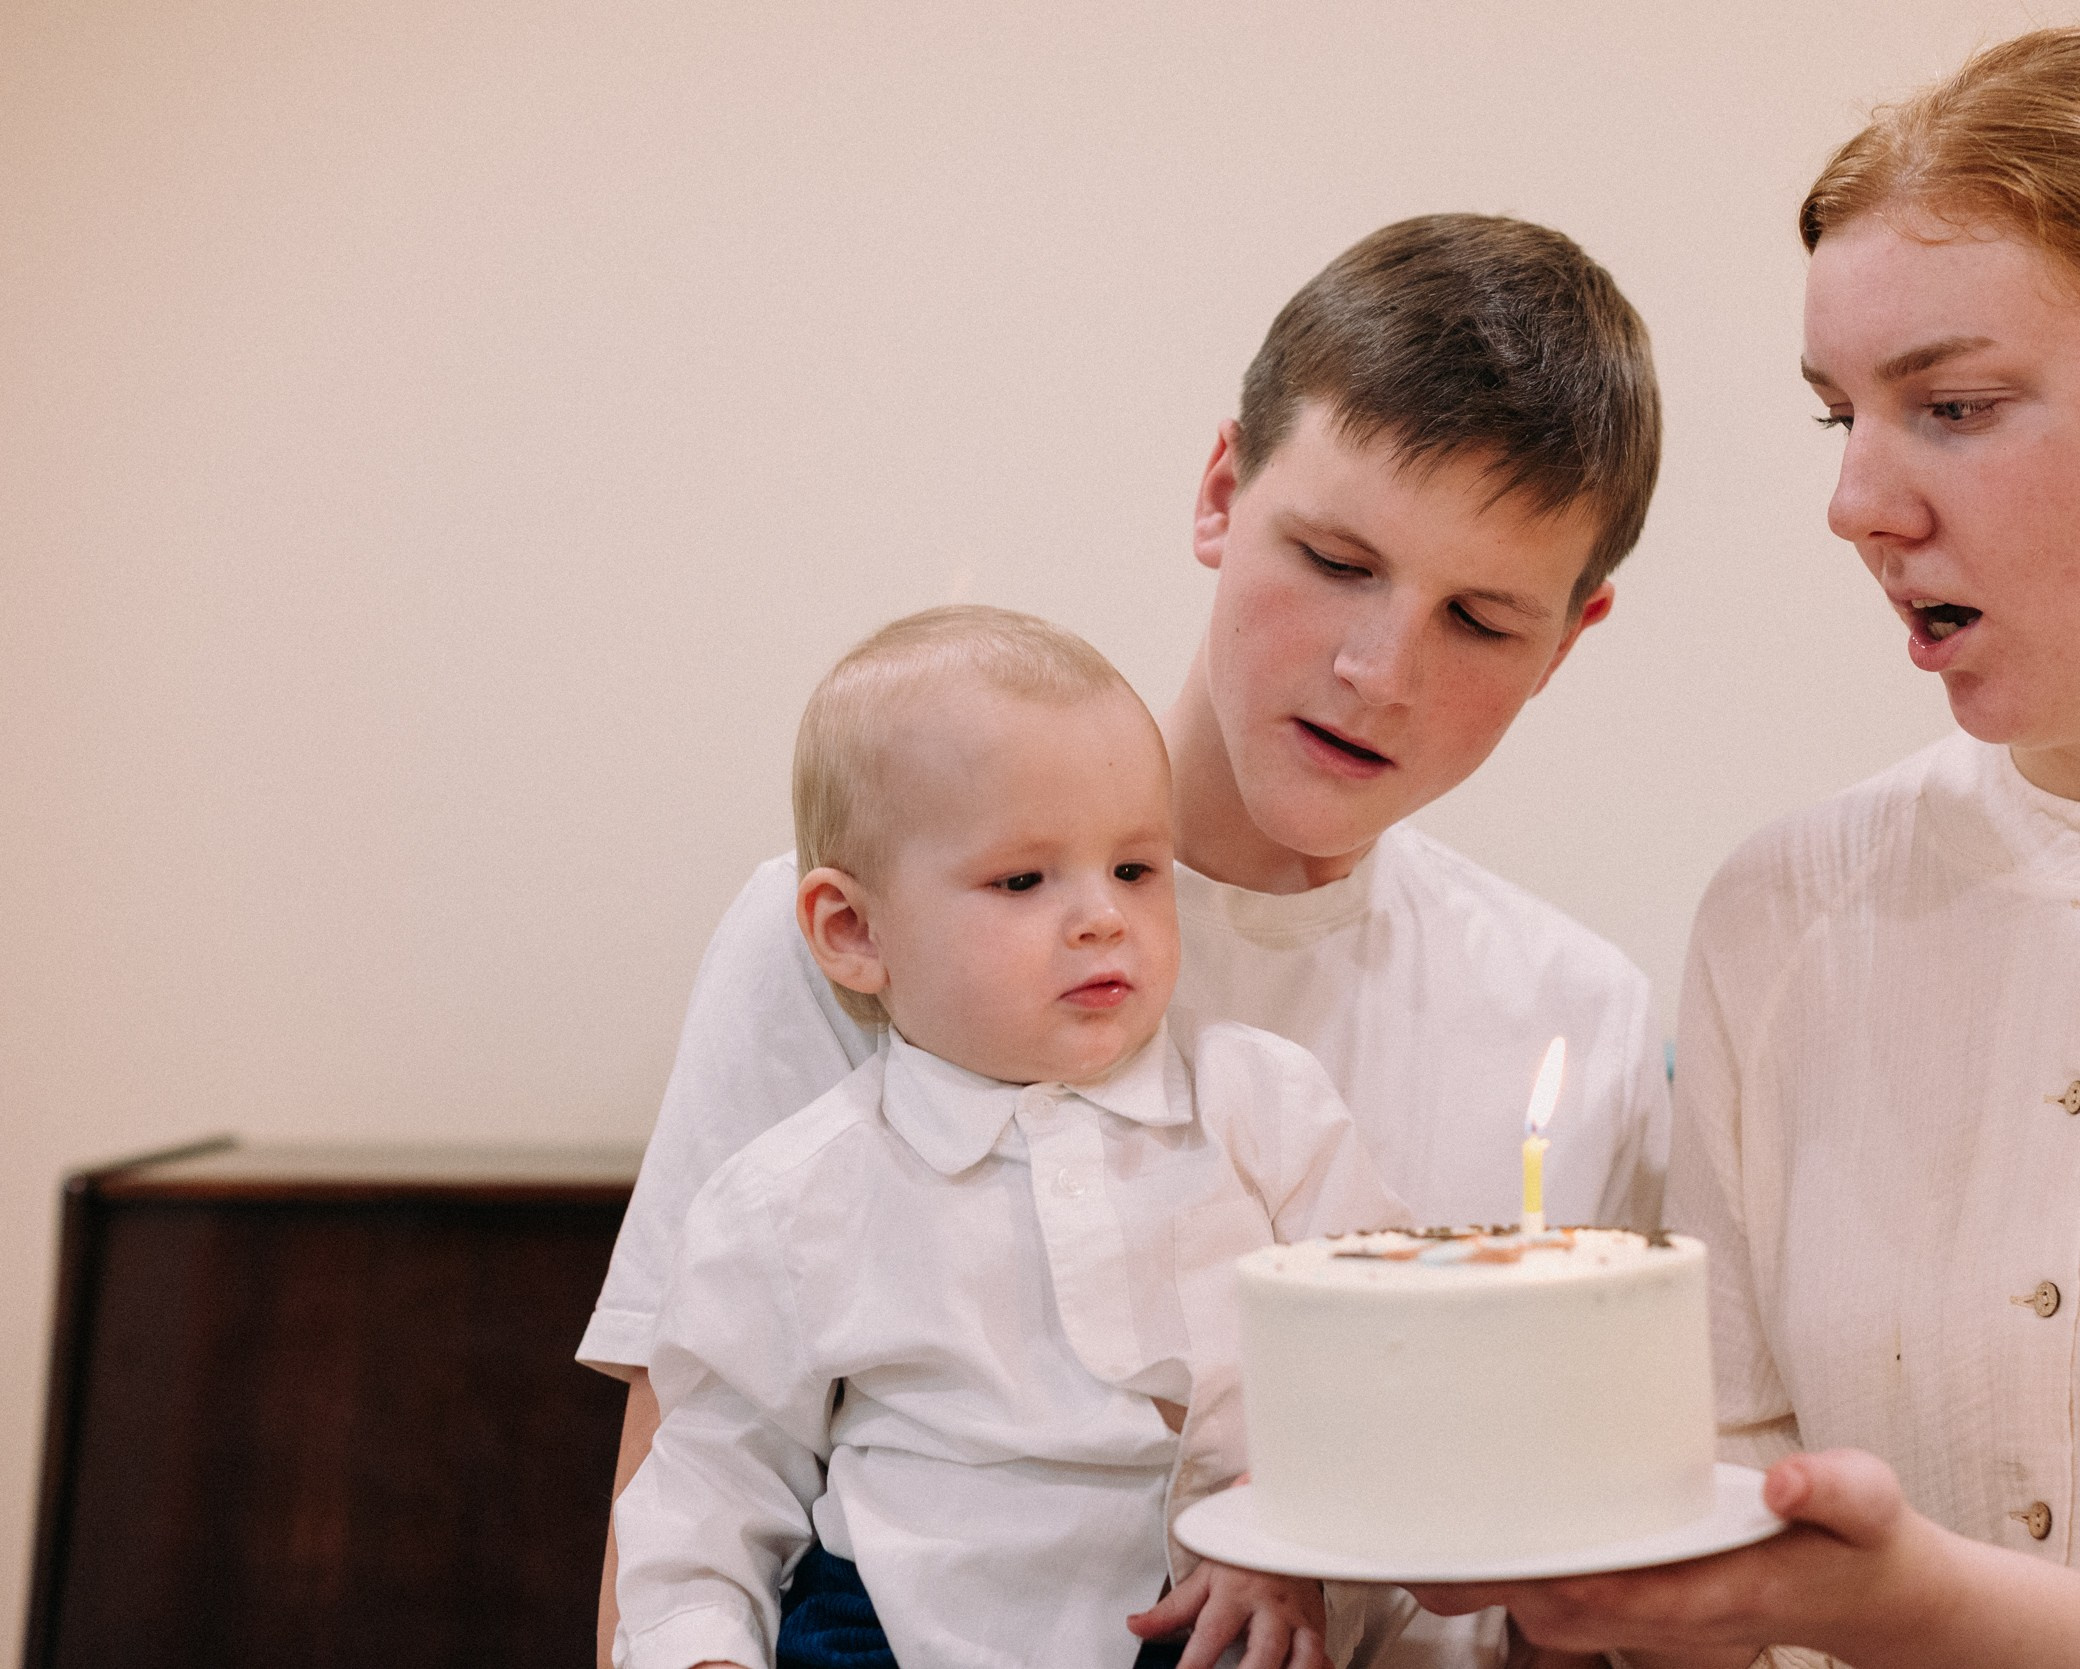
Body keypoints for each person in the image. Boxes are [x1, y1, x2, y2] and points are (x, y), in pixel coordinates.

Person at [1412, 24, 2080, 1668]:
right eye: (1841, 412)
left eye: (1955, 404)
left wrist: (1919, 1605)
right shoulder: (1784, 911)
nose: (1859, 499)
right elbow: (1702, 1551)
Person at [585, 214, 1673, 1669]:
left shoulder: (1571, 1016)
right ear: (1224, 490)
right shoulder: (864, 938)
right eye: (1337, 559)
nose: (1377, 671)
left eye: (1480, 619)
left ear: (1570, 640)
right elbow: (691, 1501)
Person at [613, 607, 1409, 1669]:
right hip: (879, 1631)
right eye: (1023, 881)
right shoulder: (793, 1194)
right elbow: (712, 1472)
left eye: (1134, 868)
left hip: (1199, 1613)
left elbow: (1392, 1351)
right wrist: (699, 1647)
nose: (1101, 917)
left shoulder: (1264, 1108)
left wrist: (1284, 1524)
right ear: (853, 932)